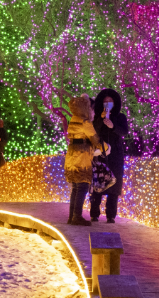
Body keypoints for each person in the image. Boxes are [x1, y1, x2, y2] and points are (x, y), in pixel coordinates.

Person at [90, 88, 129, 223]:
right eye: (105, 101)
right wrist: (100, 119)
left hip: (116, 154)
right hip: (100, 153)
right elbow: (93, 130)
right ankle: (94, 213)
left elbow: (124, 132)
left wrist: (113, 126)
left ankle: (111, 215)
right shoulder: (96, 116)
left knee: (114, 184)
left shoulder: (120, 117)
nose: (107, 103)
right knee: (98, 182)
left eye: (110, 101)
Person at [64, 93, 103, 226]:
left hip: (72, 154)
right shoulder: (85, 122)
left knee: (76, 187)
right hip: (82, 157)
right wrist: (102, 146)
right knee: (82, 186)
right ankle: (76, 217)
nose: (93, 110)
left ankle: (72, 216)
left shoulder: (74, 118)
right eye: (91, 108)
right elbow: (94, 138)